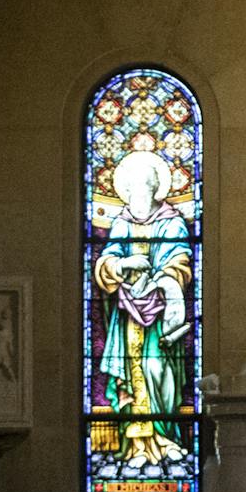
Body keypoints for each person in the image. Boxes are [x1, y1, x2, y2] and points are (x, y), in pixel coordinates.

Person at [93, 150, 193, 469]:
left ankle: (166, 438)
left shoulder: (172, 222)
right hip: (127, 313)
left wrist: (161, 278)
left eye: (144, 186)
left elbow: (181, 260)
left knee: (157, 370)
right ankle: (137, 445)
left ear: (154, 189)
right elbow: (105, 261)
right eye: (133, 187)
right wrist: (123, 264)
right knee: (132, 372)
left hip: (162, 314)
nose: (139, 193)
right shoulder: (122, 221)